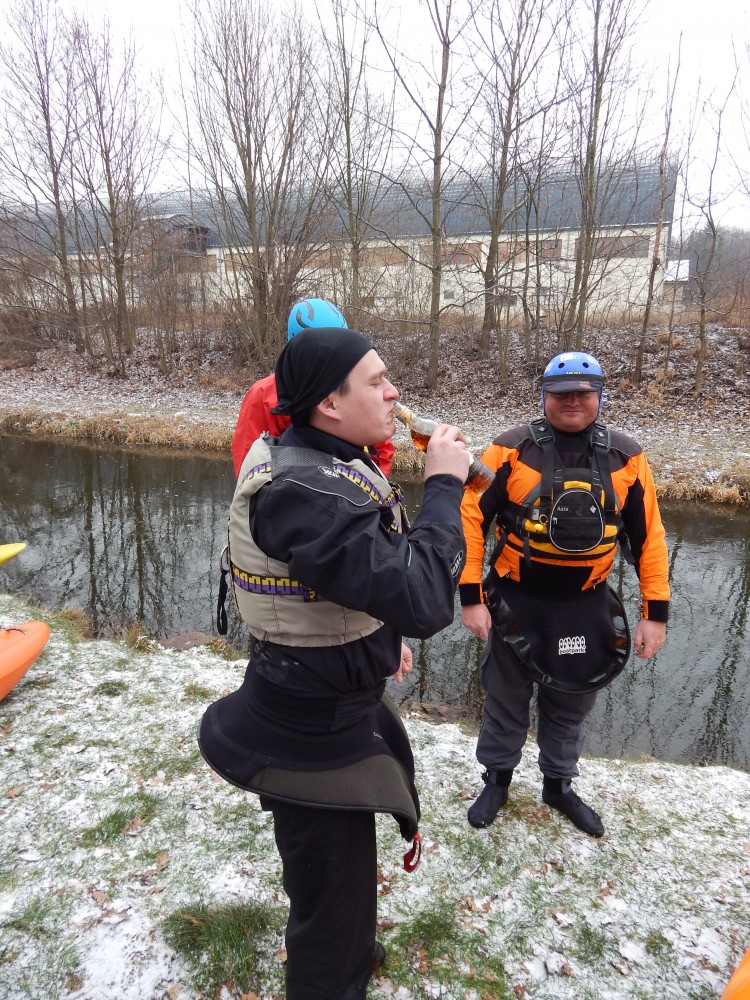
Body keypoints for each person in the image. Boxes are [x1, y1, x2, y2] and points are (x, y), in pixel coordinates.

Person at [200, 327, 470, 999]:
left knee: (345, 872)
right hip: (306, 735)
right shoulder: (302, 492)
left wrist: (379, 631)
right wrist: (444, 487)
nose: (394, 392)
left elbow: (356, 577)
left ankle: (352, 950)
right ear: (328, 402)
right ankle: (330, 978)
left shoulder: (328, 459)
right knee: (328, 890)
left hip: (328, 703)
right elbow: (425, 597)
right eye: (376, 381)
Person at [459, 350, 669, 838]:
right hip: (514, 601)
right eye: (560, 393)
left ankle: (558, 786)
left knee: (571, 704)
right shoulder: (508, 450)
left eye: (582, 393)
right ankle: (497, 781)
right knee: (505, 699)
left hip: (585, 606)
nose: (572, 401)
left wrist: (654, 612)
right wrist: (470, 597)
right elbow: (469, 518)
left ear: (599, 396)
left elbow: (649, 538)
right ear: (544, 397)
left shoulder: (627, 457)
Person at [231, 297, 395, 476]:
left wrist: (372, 485)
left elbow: (380, 449)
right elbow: (250, 466)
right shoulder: (265, 394)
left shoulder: (358, 388)